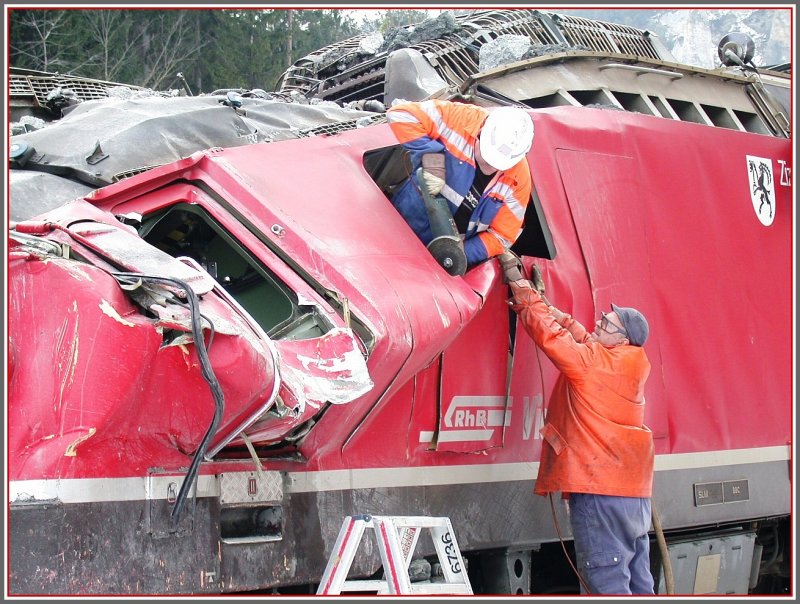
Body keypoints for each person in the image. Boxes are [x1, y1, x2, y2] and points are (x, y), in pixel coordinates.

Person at [504, 260, 655, 595]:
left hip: (600, 488)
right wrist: (551, 308)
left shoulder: (593, 364)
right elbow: (583, 339)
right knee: (639, 580)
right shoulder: (626, 364)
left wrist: (522, 290)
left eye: (605, 323)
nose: (597, 322)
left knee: (606, 582)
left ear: (621, 339)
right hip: (633, 496)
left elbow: (552, 339)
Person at [386, 99, 534, 268]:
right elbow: (400, 114)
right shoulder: (460, 118)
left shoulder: (519, 180)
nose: (488, 165)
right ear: (481, 131)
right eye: (486, 156)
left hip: (446, 250)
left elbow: (502, 236)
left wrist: (459, 253)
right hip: (405, 218)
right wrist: (431, 159)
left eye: (497, 164)